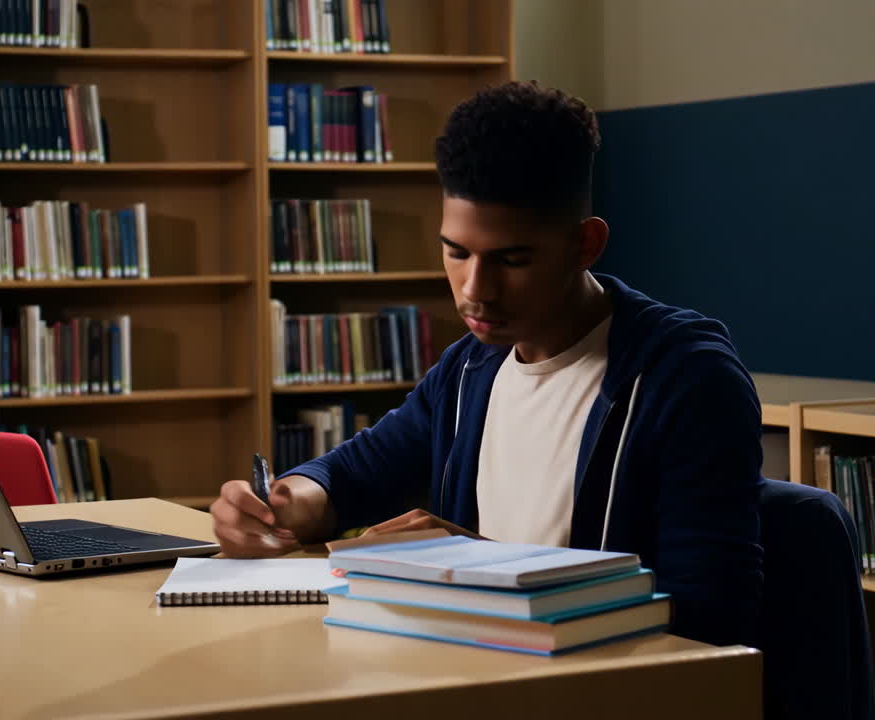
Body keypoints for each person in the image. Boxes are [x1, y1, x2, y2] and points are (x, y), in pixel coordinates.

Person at [211, 80, 763, 648]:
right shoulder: (469, 371)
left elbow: (711, 618)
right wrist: (288, 504)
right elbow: (351, 474)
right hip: (469, 674)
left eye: (512, 260)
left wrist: (482, 568)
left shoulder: (687, 379)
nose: (476, 290)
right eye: (457, 251)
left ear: (586, 245)